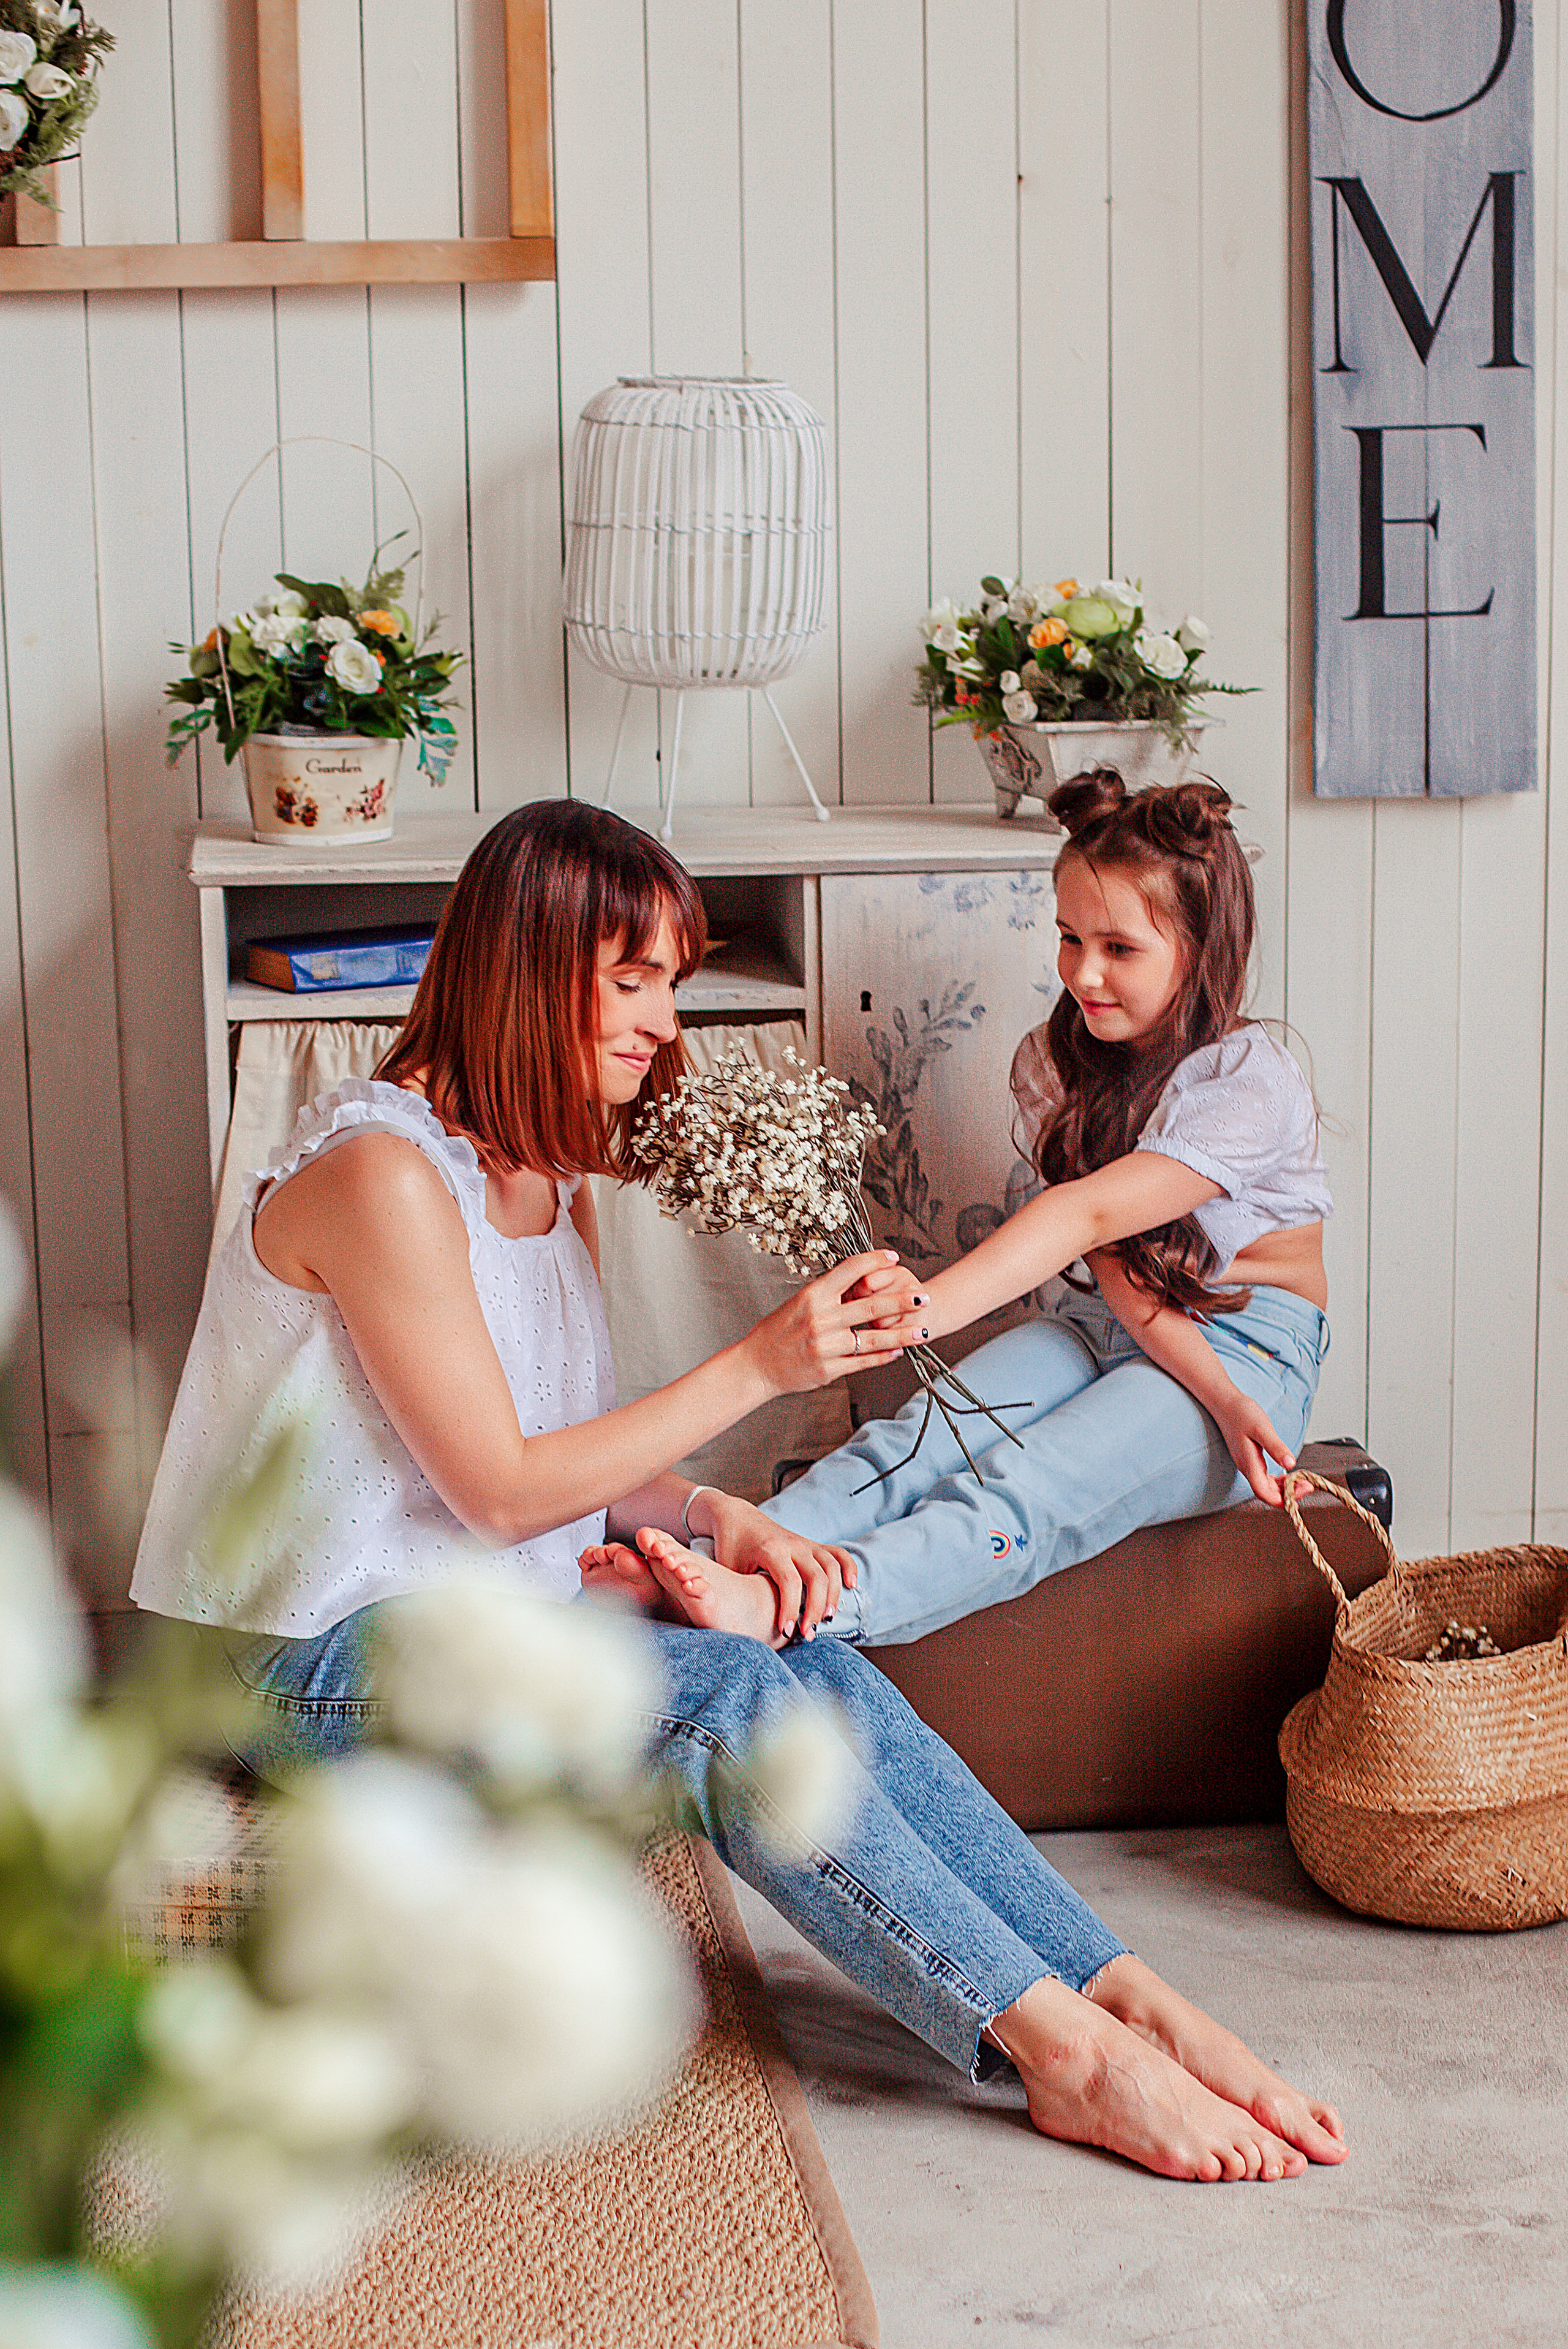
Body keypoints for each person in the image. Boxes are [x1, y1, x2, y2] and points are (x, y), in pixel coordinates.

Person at [131, 796, 1344, 2184]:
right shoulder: (379, 1176)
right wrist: (761, 1364)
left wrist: (712, 1517)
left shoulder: (531, 1176)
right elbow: (502, 1492)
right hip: (295, 1665)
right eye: (630, 982)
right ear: (527, 971)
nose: (664, 1022)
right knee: (727, 1703)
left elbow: (536, 1453)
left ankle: (1120, 1991)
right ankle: (1055, 2054)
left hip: (450, 1620)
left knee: (806, 1657)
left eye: (673, 981)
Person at [590, 770, 1332, 1653]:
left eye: (1118, 949)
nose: (1082, 974)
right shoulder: (1058, 1063)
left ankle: (802, 1607)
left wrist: (1225, 1396)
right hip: (1109, 1318)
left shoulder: (1248, 1083)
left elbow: (1087, 1217)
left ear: (1202, 946)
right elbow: (1114, 1266)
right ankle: (728, 1557)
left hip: (1247, 1346)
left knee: (1029, 1484)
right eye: (1067, 938)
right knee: (910, 1441)